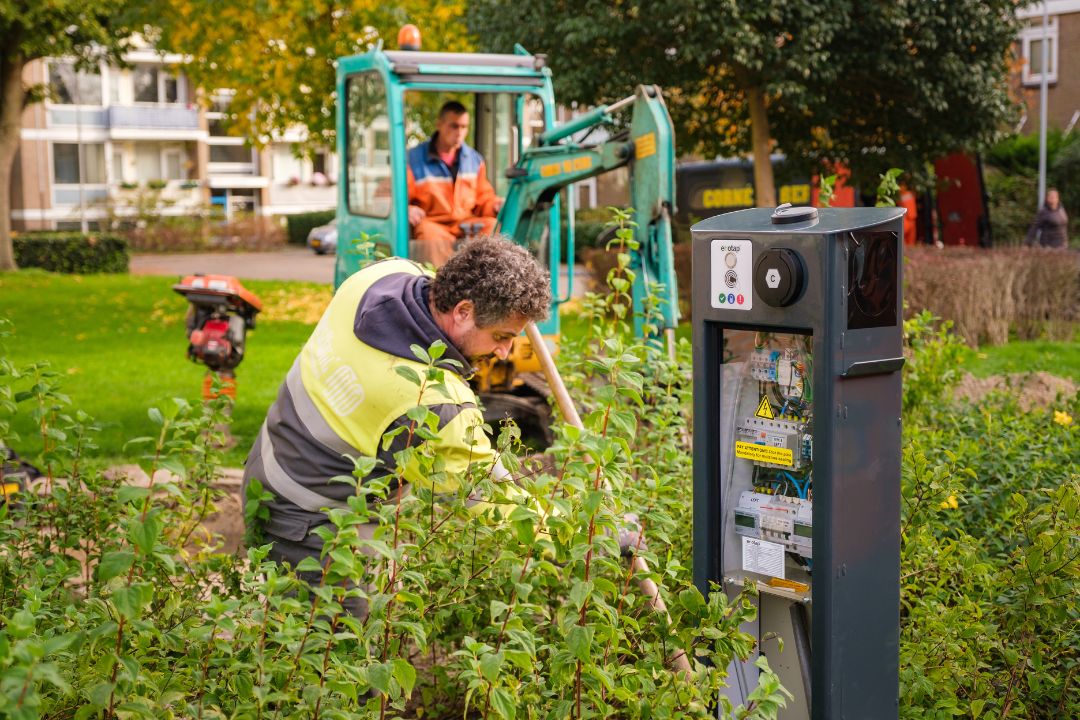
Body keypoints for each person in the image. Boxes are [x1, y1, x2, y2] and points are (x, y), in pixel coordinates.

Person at [243, 236, 550, 612]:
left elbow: (435, 275)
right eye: (501, 337)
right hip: (302, 519)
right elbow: (491, 499)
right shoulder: (432, 400)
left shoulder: (382, 275)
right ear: (463, 310)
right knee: (329, 651)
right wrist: (590, 535)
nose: (504, 352)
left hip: (270, 457)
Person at [406, 101, 504, 265]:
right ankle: (438, 286)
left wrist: (495, 204)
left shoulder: (474, 160)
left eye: (464, 127)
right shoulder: (413, 159)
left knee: (492, 225)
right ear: (439, 125)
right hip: (434, 223)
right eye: (454, 126)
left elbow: (483, 198)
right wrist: (407, 209)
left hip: (465, 223)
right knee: (429, 235)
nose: (459, 132)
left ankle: (484, 284)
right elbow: (397, 197)